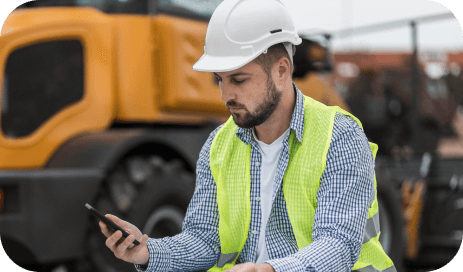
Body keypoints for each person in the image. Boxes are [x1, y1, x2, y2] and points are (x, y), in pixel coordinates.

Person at [99, 0, 396, 271]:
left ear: (281, 71)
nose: (227, 94)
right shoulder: (218, 146)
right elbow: (204, 241)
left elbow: (338, 246)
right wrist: (148, 252)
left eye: (239, 80)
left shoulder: (339, 136)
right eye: (220, 80)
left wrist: (270, 270)